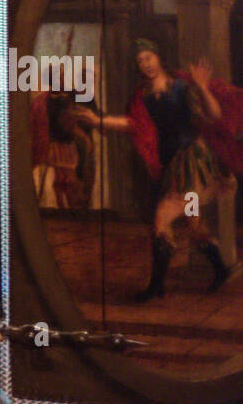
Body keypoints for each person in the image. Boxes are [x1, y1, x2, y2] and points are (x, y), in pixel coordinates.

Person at [77, 39, 243, 300]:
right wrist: (100, 121)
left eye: (149, 57)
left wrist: (201, 87)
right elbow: (134, 125)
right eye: (140, 61)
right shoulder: (143, 97)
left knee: (162, 217)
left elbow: (214, 113)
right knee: (193, 219)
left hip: (193, 166)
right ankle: (222, 268)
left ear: (158, 57)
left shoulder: (182, 87)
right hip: (175, 167)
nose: (146, 64)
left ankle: (156, 286)